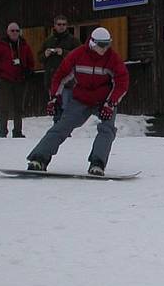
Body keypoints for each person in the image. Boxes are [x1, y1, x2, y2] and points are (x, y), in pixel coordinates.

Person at [26, 27, 129, 176]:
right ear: (92, 43)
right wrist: (54, 98)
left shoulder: (112, 59)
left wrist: (110, 103)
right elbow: (60, 76)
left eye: (107, 44)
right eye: (101, 45)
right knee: (62, 126)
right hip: (81, 99)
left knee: (107, 129)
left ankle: (97, 163)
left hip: (103, 100)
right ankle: (39, 159)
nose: (104, 48)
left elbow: (122, 82)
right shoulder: (78, 55)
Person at [0, 22, 35, 138]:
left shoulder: (24, 45)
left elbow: (31, 61)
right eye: (12, 31)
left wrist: (28, 71)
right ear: (7, 32)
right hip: (5, 79)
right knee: (4, 107)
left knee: (19, 107)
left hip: (20, 80)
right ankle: (3, 131)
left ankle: (17, 131)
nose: (14, 33)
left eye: (17, 31)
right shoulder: (0, 45)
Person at [38, 15, 80, 123]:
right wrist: (46, 54)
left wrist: (64, 52)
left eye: (64, 24)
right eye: (59, 24)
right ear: (54, 25)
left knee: (66, 107)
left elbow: (80, 56)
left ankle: (65, 131)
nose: (61, 26)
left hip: (67, 80)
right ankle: (57, 131)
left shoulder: (73, 40)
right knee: (55, 106)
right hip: (52, 80)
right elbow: (39, 58)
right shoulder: (48, 41)